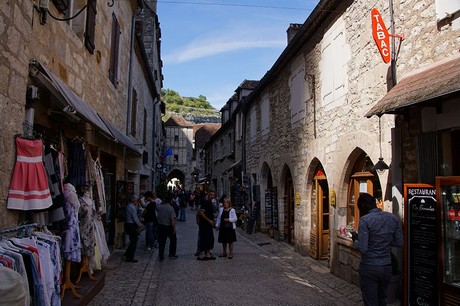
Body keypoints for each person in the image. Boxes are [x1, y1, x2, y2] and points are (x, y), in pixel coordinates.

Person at [352, 193, 404, 306]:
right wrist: (384, 242)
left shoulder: (365, 220)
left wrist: (355, 240)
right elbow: (399, 242)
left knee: (371, 301)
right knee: (382, 299)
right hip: (386, 266)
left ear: (364, 205)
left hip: (370, 266)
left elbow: (363, 248)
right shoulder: (393, 218)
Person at [156, 193, 178, 261]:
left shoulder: (159, 207)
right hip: (168, 227)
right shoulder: (170, 208)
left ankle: (161, 256)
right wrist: (174, 229)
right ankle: (172, 254)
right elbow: (172, 220)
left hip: (160, 226)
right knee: (173, 240)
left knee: (162, 242)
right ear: (170, 201)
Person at [196, 191, 216, 260]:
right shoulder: (204, 202)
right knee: (203, 238)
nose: (212, 196)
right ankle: (201, 254)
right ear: (208, 195)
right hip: (204, 224)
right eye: (211, 195)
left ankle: (208, 254)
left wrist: (213, 220)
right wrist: (209, 220)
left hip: (209, 224)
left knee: (210, 238)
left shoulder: (211, 203)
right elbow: (201, 212)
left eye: (213, 195)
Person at [124, 195, 143, 262]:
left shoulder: (129, 206)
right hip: (131, 225)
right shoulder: (132, 207)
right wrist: (139, 224)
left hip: (129, 224)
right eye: (136, 200)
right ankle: (130, 257)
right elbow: (134, 217)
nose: (137, 202)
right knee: (134, 241)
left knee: (133, 240)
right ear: (133, 200)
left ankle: (127, 253)